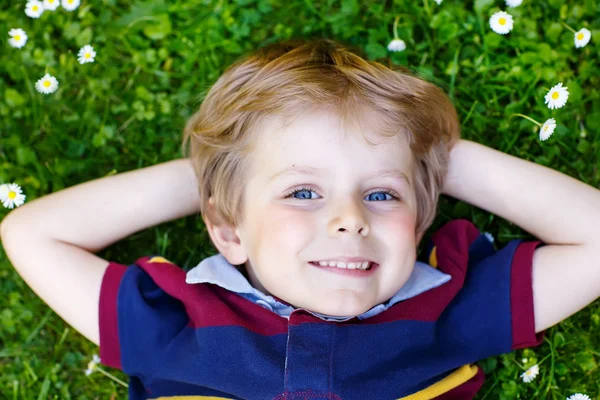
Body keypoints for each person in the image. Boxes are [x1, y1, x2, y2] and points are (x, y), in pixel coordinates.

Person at [2, 38, 600, 400]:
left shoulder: (446, 309)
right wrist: (217, 170)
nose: (349, 219)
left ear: (420, 225)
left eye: (384, 196)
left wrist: (439, 159)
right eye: (304, 192)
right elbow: (29, 233)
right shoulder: (181, 324)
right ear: (229, 229)